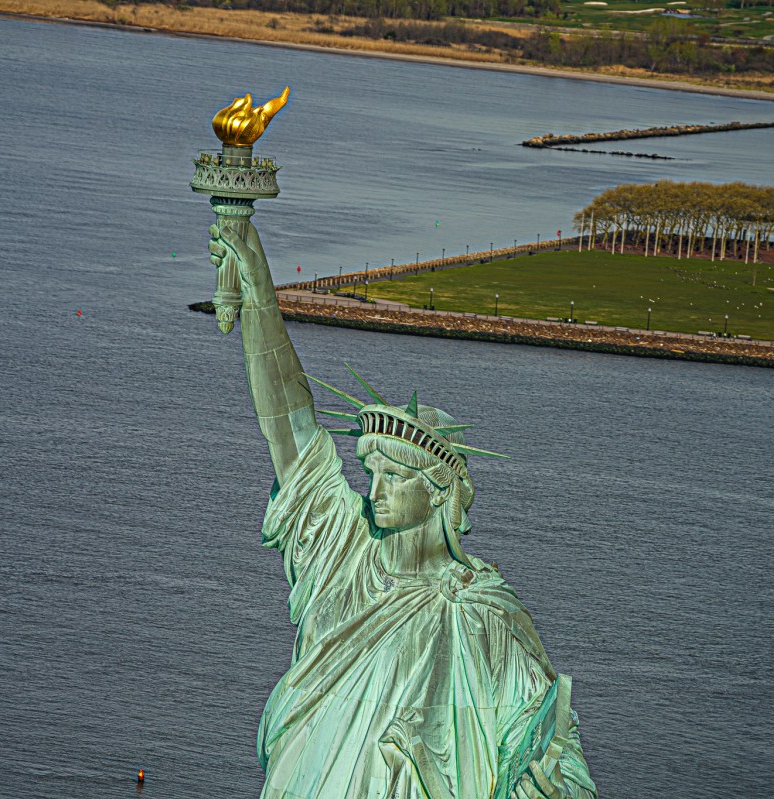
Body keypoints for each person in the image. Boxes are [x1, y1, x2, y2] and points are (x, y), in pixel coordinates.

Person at [209, 219, 597, 799]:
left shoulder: (483, 614)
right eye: (372, 473)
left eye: (395, 475)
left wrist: (548, 782)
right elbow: (288, 424)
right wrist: (260, 291)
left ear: (440, 490)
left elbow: (550, 749)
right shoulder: (343, 551)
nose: (376, 489)